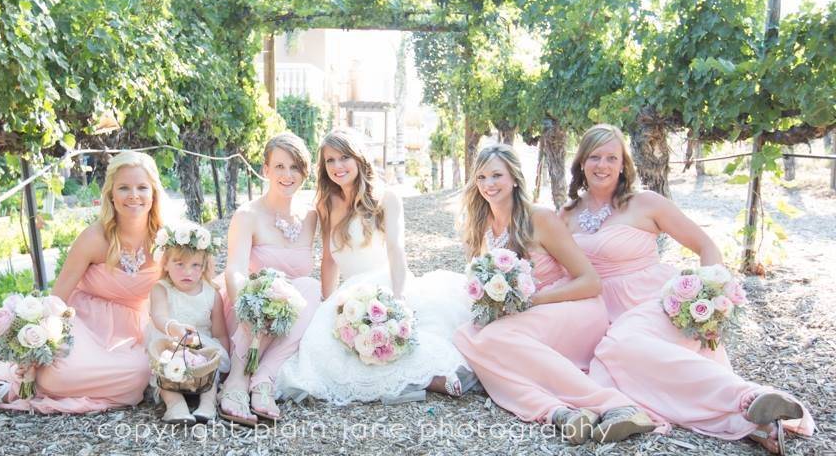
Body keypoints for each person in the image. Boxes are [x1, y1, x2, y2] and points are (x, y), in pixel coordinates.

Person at [561, 124, 815, 453]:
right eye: (594, 157)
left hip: (656, 305)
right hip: (601, 313)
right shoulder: (565, 216)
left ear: (623, 164)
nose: (602, 165)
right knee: (620, 367)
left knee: (619, 347)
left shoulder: (646, 203)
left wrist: (709, 296)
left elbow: (705, 246)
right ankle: (758, 421)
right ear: (581, 162)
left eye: (611, 157)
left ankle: (746, 395)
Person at [452, 144, 656, 444]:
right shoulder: (479, 226)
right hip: (529, 313)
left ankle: (616, 405)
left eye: (497, 175)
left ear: (514, 178)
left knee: (488, 340)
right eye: (481, 177)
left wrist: (532, 301)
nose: (488, 184)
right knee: (468, 336)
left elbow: (591, 282)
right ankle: (560, 413)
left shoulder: (541, 218)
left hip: (573, 307)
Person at [0, 151, 165, 413]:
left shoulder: (165, 239)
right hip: (83, 322)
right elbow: (58, 298)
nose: (133, 195)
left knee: (138, 374)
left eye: (142, 187)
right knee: (57, 372)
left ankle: (5, 384)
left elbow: (189, 284)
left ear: (154, 193)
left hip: (131, 332)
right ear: (111, 193)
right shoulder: (94, 237)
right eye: (124, 187)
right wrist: (38, 338)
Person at [276, 128, 473, 405]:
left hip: (385, 284)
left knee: (396, 335)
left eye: (344, 157)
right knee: (324, 349)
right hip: (349, 294)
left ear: (358, 158)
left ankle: (431, 375)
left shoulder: (386, 198)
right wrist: (325, 299)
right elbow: (330, 259)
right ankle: (421, 380)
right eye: (330, 161)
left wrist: (399, 296)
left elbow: (396, 250)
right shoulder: (326, 202)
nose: (337, 166)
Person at [217, 133, 321, 426]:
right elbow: (235, 269)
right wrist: (246, 305)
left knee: (310, 288)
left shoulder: (312, 216)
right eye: (279, 166)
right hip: (249, 302)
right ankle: (237, 380)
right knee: (271, 291)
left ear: (305, 172)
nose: (288, 175)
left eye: (295, 167)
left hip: (291, 311)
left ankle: (264, 378)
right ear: (265, 170)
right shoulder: (248, 214)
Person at [146, 221, 230, 424]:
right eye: (179, 264)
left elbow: (219, 334)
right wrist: (174, 328)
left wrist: (221, 357)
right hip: (170, 342)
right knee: (162, 361)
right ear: (165, 263)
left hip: (201, 346)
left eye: (195, 265)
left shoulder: (212, 294)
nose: (188, 272)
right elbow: (159, 316)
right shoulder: (162, 288)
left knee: (213, 361)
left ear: (203, 268)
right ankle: (175, 405)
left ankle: (208, 404)